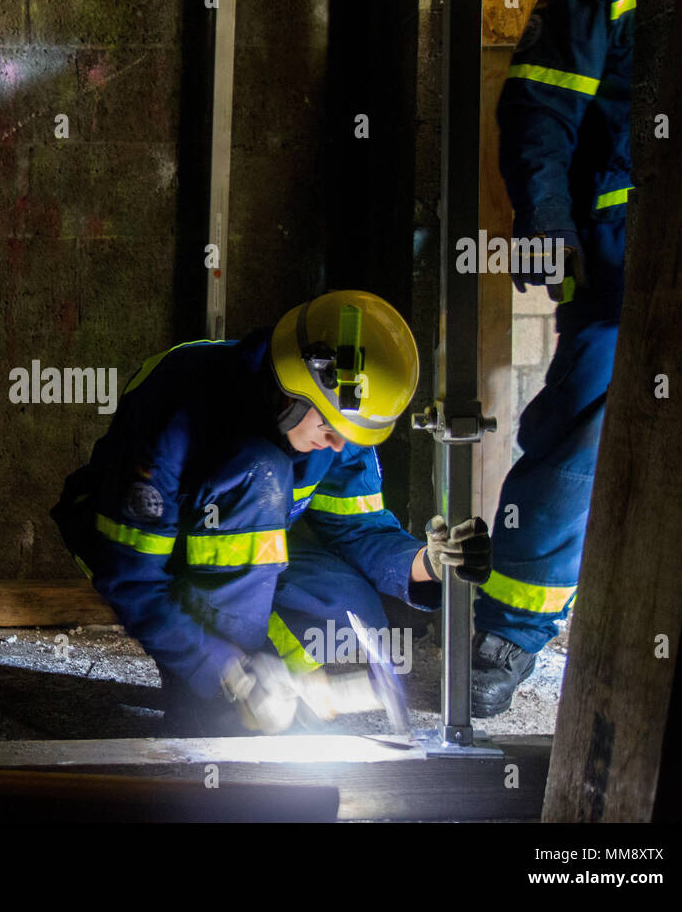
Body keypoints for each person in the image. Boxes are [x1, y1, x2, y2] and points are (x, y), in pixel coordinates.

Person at [51, 290, 492, 735]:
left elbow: (358, 530)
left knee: (350, 613)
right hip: (140, 551)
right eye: (328, 426)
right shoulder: (180, 402)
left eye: (350, 433)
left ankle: (269, 688)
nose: (338, 444)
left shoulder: (340, 419)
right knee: (259, 472)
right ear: (293, 388)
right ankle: (214, 710)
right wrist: (231, 673)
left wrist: (426, 563)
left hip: (246, 549)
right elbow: (133, 579)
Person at [474, 0, 635, 716]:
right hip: (621, 262)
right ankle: (509, 637)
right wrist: (545, 220)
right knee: (578, 447)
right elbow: (541, 102)